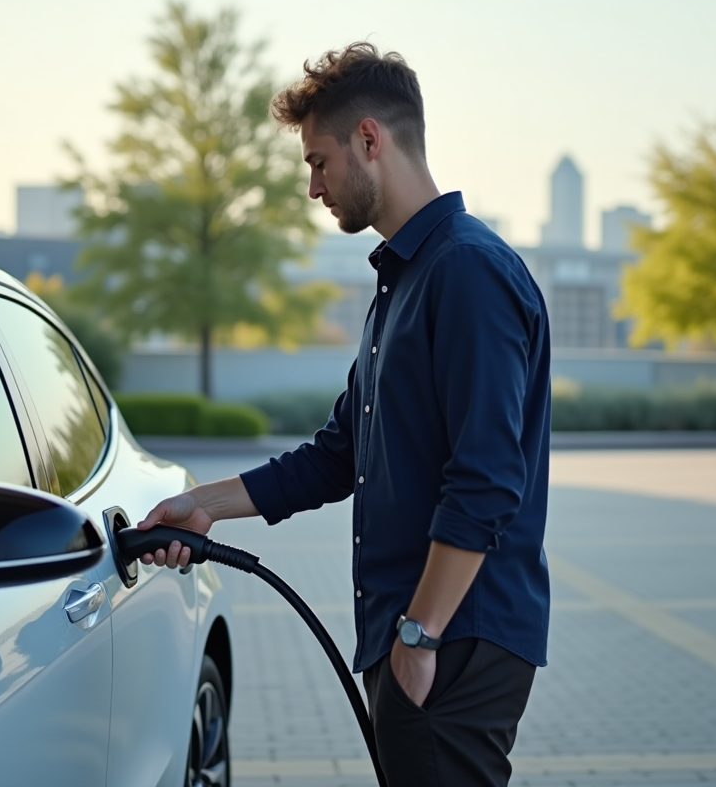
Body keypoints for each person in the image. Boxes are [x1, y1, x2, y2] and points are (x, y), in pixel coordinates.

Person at [138, 42, 551, 787]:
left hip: (454, 635)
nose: (312, 186)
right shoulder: (407, 278)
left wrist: (421, 635)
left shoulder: (466, 272)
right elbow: (338, 455)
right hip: (421, 633)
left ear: (370, 139)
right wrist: (199, 506)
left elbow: (489, 480)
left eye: (318, 161)